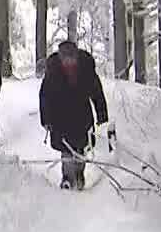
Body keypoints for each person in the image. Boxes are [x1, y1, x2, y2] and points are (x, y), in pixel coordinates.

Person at [38, 38, 109, 190]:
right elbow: (45, 97)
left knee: (80, 148)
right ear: (61, 58)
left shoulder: (86, 69)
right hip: (60, 118)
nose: (69, 62)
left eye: (72, 58)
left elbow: (97, 93)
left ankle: (79, 174)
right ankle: (67, 178)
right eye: (66, 59)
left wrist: (102, 114)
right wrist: (46, 119)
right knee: (66, 151)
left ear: (76, 57)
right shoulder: (53, 71)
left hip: (82, 116)